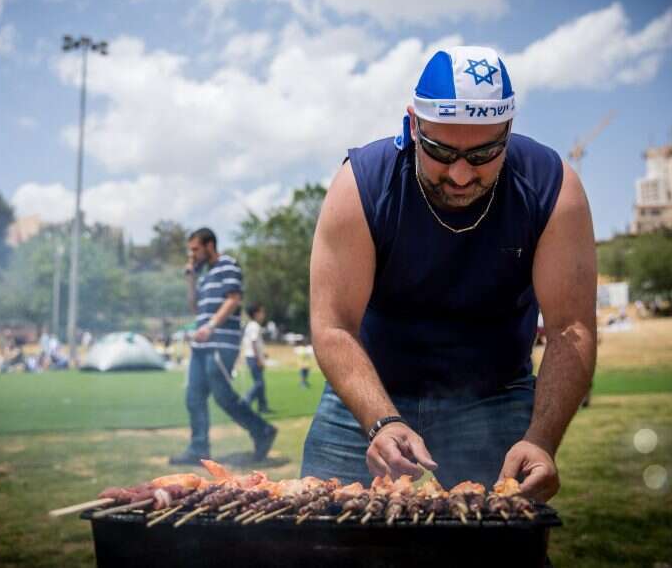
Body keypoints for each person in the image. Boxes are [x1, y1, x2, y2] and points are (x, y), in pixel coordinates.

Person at [300, 45, 597, 500]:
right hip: (368, 391)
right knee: (318, 537)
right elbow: (333, 325)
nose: (460, 175)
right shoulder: (362, 184)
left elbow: (570, 328)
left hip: (494, 394)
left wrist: (541, 439)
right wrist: (383, 419)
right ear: (413, 124)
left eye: (484, 153)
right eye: (440, 151)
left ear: (509, 130)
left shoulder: (551, 187)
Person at [169, 228, 277, 465]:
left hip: (221, 343)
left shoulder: (228, 265)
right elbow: (195, 308)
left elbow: (233, 299)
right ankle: (199, 448)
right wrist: (191, 280)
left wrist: (211, 326)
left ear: (210, 245)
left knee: (223, 396)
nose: (192, 254)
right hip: (202, 346)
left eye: (195, 249)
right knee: (193, 396)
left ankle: (262, 430)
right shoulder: (206, 275)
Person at [241, 304, 272, 414]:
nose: (263, 314)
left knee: (260, 383)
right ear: (256, 313)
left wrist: (263, 354)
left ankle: (262, 406)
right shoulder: (254, 326)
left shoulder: (251, 325)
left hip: (252, 357)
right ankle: (245, 401)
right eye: (261, 312)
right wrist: (258, 358)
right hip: (253, 358)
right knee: (259, 384)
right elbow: (253, 342)